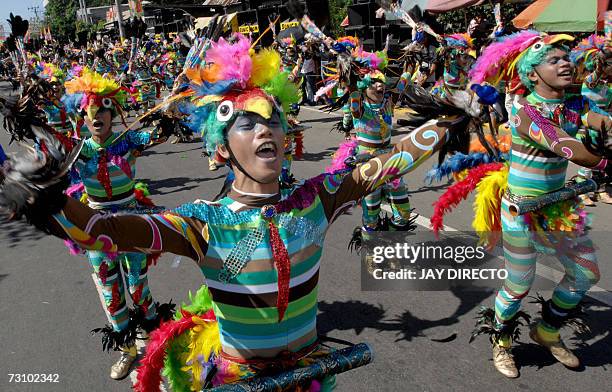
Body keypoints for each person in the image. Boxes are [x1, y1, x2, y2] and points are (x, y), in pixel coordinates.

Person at [0, 34, 461, 390]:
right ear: (220, 149)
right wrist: (47, 201)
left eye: (274, 119)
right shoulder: (202, 222)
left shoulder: (317, 199)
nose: (266, 129)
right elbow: (103, 232)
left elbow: (392, 161)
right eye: (247, 122)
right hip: (239, 381)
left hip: (310, 377)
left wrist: (456, 116)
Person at [466, 30, 611, 378]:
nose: (566, 63)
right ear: (533, 74)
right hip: (521, 211)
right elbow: (568, 147)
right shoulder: (525, 111)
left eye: (566, 57)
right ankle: (501, 343)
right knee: (518, 284)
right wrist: (605, 162)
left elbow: (600, 122)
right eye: (554, 60)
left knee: (584, 273)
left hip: (557, 208)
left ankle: (546, 330)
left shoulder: (576, 101)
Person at [60, 68, 174, 380]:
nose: (96, 117)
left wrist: (168, 111)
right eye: (89, 112)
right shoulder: (78, 150)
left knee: (137, 286)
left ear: (112, 114)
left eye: (102, 111)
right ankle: (127, 350)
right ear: (83, 118)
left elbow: (160, 134)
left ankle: (150, 343)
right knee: (110, 290)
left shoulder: (128, 140)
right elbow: (49, 154)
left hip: (130, 219)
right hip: (95, 225)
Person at [570, 35, 612, 205]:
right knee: (589, 158)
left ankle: (600, 190)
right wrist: (602, 58)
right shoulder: (589, 81)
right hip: (588, 125)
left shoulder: (608, 85)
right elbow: (596, 74)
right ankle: (582, 189)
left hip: (604, 126)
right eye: (609, 64)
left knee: (603, 158)